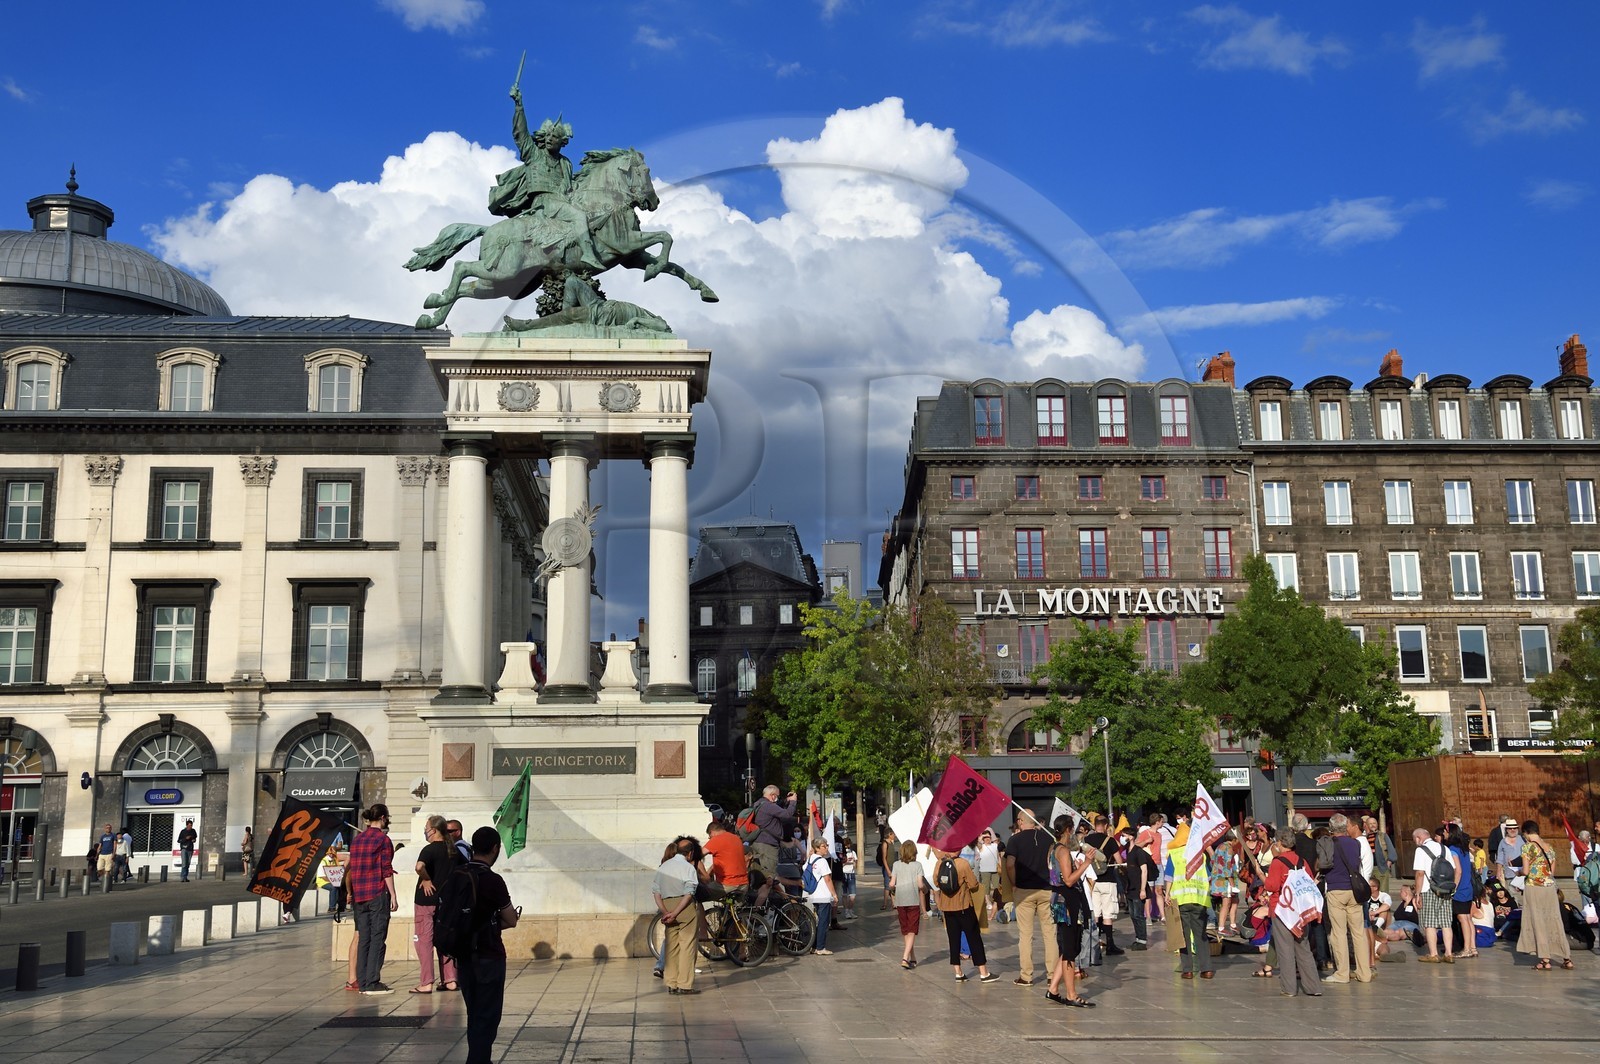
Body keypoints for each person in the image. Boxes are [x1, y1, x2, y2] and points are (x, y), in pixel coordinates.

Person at [487, 89, 605, 272]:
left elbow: (570, 187)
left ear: (562, 142)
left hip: (562, 202)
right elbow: (521, 134)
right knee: (579, 216)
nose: (550, 139)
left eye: (555, 137)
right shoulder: (534, 154)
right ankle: (588, 254)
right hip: (544, 203)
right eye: (548, 136)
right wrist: (519, 105)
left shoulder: (565, 163)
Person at [458, 825, 519, 1063]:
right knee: (488, 1016)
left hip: (463, 955)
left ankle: (477, 1058)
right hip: (488, 956)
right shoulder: (493, 880)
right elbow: (510, 919)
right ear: (495, 849)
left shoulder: (458, 875)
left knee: (474, 1013)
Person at [1265, 826, 1322, 997]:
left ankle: (1289, 988)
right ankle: (1313, 987)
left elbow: (1271, 886)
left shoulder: (1277, 862)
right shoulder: (1301, 861)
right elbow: (1310, 880)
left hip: (1282, 910)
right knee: (1303, 948)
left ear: (1280, 843)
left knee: (1285, 949)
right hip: (1299, 910)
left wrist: (1263, 876)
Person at [348, 803, 399, 994]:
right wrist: (393, 894)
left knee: (364, 939)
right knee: (378, 938)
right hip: (376, 893)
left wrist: (351, 892)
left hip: (360, 894)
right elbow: (386, 869)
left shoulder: (357, 840)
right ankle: (372, 982)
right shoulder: (383, 840)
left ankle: (362, 981)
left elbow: (353, 869)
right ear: (384, 818)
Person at [1006, 809, 1059, 986]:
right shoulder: (1047, 838)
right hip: (1046, 889)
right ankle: (1052, 974)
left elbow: (1010, 864)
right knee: (1050, 934)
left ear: (1021, 822)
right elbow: (1052, 863)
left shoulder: (1015, 840)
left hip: (1024, 890)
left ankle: (1026, 975)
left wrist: (1013, 883)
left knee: (1026, 934)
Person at [1045, 816, 1094, 1007]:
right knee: (1070, 949)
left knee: (1067, 947)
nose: (1073, 833)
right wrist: (1086, 864)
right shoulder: (1063, 851)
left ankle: (1053, 989)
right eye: (1072, 829)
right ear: (1067, 829)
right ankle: (1071, 995)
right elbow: (1068, 880)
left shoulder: (1052, 849)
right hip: (1067, 902)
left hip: (1058, 898)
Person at [1322, 813, 1374, 984]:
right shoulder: (1355, 843)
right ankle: (1364, 972)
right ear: (1345, 827)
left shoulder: (1328, 843)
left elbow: (1323, 865)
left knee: (1339, 933)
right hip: (1354, 891)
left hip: (1336, 889)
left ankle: (1342, 973)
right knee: (1358, 932)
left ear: (1331, 828)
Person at [933, 844, 997, 982]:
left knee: (953, 939)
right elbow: (973, 884)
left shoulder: (939, 863)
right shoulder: (963, 864)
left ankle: (958, 972)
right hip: (963, 906)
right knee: (974, 937)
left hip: (947, 907)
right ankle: (983, 972)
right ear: (959, 849)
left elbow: (936, 882)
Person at [1516, 820, 1573, 971]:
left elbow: (1526, 871)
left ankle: (1545, 959)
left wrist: (1518, 872)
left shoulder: (1527, 847)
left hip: (1534, 887)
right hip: (1549, 887)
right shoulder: (1550, 848)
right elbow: (1552, 873)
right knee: (1554, 919)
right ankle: (1567, 958)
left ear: (1526, 833)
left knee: (1537, 920)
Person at [411, 815, 459, 994]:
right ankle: (450, 979)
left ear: (434, 830)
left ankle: (426, 982)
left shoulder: (429, 850)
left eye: (426, 828)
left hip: (426, 901)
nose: (425, 831)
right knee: (444, 940)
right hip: (446, 902)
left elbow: (418, 867)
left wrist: (426, 878)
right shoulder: (453, 851)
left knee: (424, 941)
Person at [653, 839, 701, 993]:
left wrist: (665, 911)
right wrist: (676, 912)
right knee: (687, 945)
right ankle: (685, 985)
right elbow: (689, 893)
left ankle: (671, 983)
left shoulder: (664, 866)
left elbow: (656, 891)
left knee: (671, 946)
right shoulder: (688, 867)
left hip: (667, 905)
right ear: (690, 853)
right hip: (684, 907)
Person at [1170, 831, 1212, 980]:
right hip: (1199, 900)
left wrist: (1167, 895)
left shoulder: (1174, 854)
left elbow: (1169, 876)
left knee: (1184, 936)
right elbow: (1208, 875)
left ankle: (1187, 970)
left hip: (1181, 900)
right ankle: (1206, 969)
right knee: (1201, 935)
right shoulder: (1201, 855)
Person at [1412, 825, 1457, 964]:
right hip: (1445, 889)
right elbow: (1453, 869)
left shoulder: (1421, 850)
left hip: (1428, 889)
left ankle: (1433, 954)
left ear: (1419, 838)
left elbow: (1419, 873)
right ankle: (1449, 953)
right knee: (1446, 923)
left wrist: (1417, 894)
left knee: (1429, 923)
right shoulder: (1444, 848)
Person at [889, 840, 925, 968]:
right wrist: (924, 887)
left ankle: (912, 957)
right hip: (913, 900)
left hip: (900, 900)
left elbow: (892, 884)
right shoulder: (918, 865)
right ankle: (905, 958)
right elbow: (920, 884)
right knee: (912, 930)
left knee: (906, 930)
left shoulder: (896, 865)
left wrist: (894, 888)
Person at [750, 786, 797, 880]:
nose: (777, 798)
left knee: (759, 874)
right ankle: (765, 894)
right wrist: (793, 802)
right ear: (772, 796)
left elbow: (776, 812)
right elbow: (787, 815)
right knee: (769, 876)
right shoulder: (768, 806)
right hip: (767, 845)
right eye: (777, 796)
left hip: (757, 842)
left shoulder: (757, 804)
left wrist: (785, 801)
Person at [1446, 826, 1479, 960]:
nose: (1444, 834)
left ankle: (1466, 949)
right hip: (1468, 886)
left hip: (1460, 888)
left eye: (1445, 831)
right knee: (1468, 918)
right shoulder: (1463, 849)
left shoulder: (1453, 849)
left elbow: (1458, 870)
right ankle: (1473, 947)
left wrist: (1454, 887)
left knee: (1462, 918)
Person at [1126, 828, 1158, 950]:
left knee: (1139, 914)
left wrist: (1143, 889)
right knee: (1133, 915)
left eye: (1125, 835)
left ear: (1131, 836)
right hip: (1130, 887)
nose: (1124, 838)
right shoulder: (1129, 851)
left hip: (1138, 887)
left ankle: (1142, 940)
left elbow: (1144, 870)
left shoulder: (1139, 852)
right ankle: (1138, 938)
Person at [805, 837, 837, 955]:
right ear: (817, 848)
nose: (827, 848)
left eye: (827, 845)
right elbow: (828, 879)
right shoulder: (822, 861)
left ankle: (814, 946)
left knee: (818, 922)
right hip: (823, 895)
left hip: (813, 894)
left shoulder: (809, 860)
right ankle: (820, 947)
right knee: (823, 922)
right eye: (824, 846)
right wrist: (834, 894)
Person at [702, 819, 748, 892]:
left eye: (709, 836)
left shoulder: (717, 839)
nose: (710, 838)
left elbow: (699, 854)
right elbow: (727, 860)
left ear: (712, 832)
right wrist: (710, 870)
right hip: (743, 883)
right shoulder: (736, 838)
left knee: (698, 893)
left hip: (727, 884)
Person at [318, 843, 347, 920]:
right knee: (333, 887)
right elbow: (322, 876)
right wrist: (333, 881)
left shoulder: (334, 860)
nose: (332, 855)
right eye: (330, 854)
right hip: (323, 881)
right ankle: (331, 907)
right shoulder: (323, 861)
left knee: (342, 887)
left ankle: (341, 906)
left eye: (333, 854)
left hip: (332, 880)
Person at [877, 830, 898, 911]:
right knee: (887, 886)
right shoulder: (885, 843)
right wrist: (888, 870)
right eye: (893, 834)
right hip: (888, 867)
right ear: (889, 834)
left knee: (893, 885)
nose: (895, 835)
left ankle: (894, 903)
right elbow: (884, 858)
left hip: (893, 866)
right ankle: (885, 904)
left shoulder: (891, 843)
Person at [177, 818, 198, 883]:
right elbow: (179, 840)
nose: (190, 827)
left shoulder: (193, 831)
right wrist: (186, 838)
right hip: (184, 848)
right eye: (189, 825)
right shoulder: (183, 832)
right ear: (186, 825)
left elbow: (194, 838)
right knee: (184, 864)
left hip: (190, 849)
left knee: (188, 863)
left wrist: (193, 840)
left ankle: (185, 877)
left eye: (191, 825)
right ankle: (182, 877)